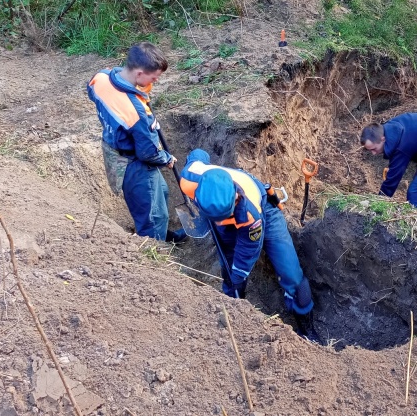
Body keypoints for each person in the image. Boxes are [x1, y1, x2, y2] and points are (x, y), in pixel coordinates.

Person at [179, 149, 318, 341]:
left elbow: (248, 249)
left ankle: (307, 329)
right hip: (226, 220)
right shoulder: (189, 179)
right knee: (229, 273)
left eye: (224, 217)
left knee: (291, 274)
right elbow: (198, 154)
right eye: (216, 219)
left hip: (265, 210)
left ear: (236, 198)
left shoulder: (250, 213)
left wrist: (239, 275)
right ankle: (235, 310)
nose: (220, 222)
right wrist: (233, 281)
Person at [87, 42, 186, 243]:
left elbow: (94, 94)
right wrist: (166, 158)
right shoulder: (136, 112)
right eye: (154, 76)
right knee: (152, 213)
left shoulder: (102, 77)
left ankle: (161, 233)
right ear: (139, 73)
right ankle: (154, 248)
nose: (156, 80)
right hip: (133, 162)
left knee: (162, 192)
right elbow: (148, 153)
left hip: (114, 147)